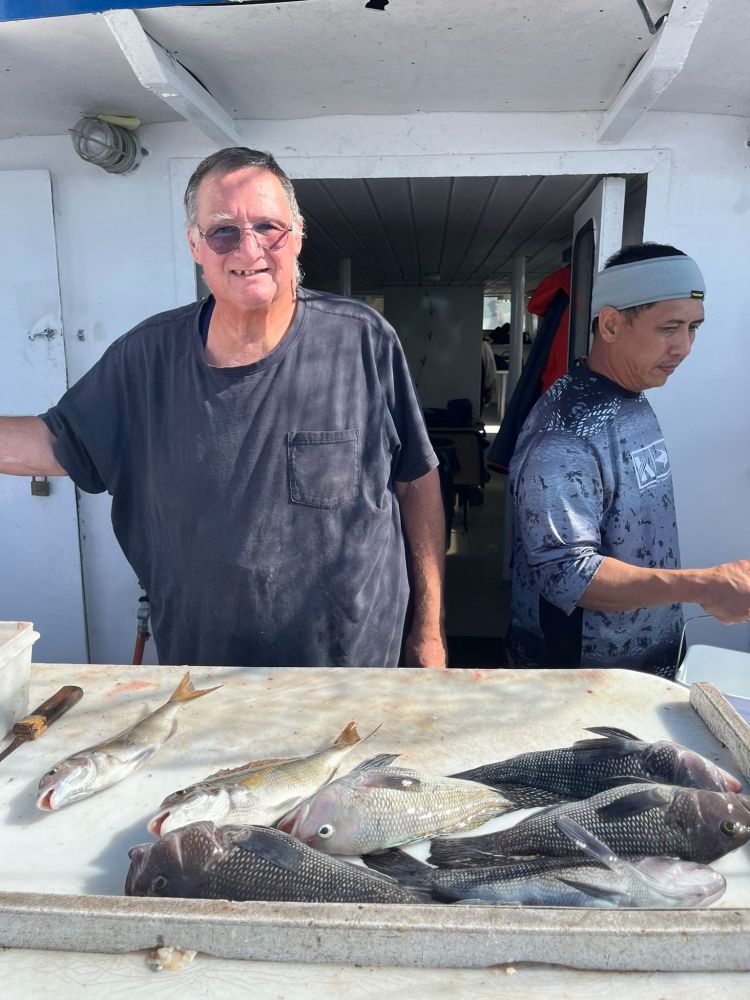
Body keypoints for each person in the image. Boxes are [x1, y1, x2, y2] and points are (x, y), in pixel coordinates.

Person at [0, 147, 447, 670]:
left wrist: (429, 633)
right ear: (196, 245)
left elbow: (416, 482)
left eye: (268, 226)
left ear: (297, 234)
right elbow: (55, 442)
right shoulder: (146, 358)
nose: (249, 247)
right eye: (223, 232)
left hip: (351, 670)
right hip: (203, 674)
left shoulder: (362, 340)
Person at [507, 242, 750, 677]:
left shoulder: (629, 396)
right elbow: (568, 576)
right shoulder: (564, 434)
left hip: (641, 668)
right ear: (612, 324)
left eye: (694, 327)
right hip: (580, 680)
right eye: (669, 327)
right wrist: (704, 585)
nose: (684, 347)